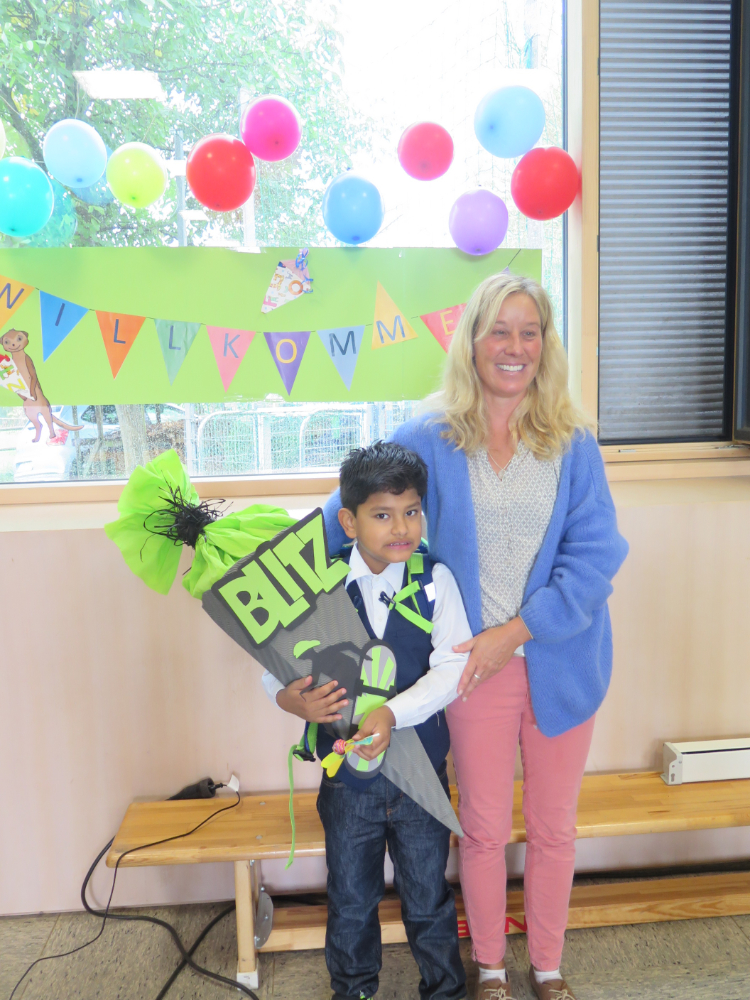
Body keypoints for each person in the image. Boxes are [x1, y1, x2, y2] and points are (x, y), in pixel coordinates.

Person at [324, 273, 629, 1000]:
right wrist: (246, 564)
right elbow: (343, 514)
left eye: (530, 332)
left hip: (562, 664)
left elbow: (596, 559)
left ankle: (547, 967)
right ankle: (490, 967)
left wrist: (513, 633)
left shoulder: (573, 443)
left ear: (545, 345)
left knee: (554, 829)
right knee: (484, 829)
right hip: (470, 672)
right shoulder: (429, 438)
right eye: (500, 330)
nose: (514, 347)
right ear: (473, 341)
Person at [263, 441, 472, 1000]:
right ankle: (353, 989)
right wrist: (292, 701)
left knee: (428, 897)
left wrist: (391, 712)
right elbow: (272, 669)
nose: (401, 528)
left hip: (422, 777)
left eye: (412, 511)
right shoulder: (319, 584)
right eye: (382, 514)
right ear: (349, 522)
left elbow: (453, 667)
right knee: (352, 899)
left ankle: (445, 991)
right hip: (346, 783)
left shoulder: (435, 580)